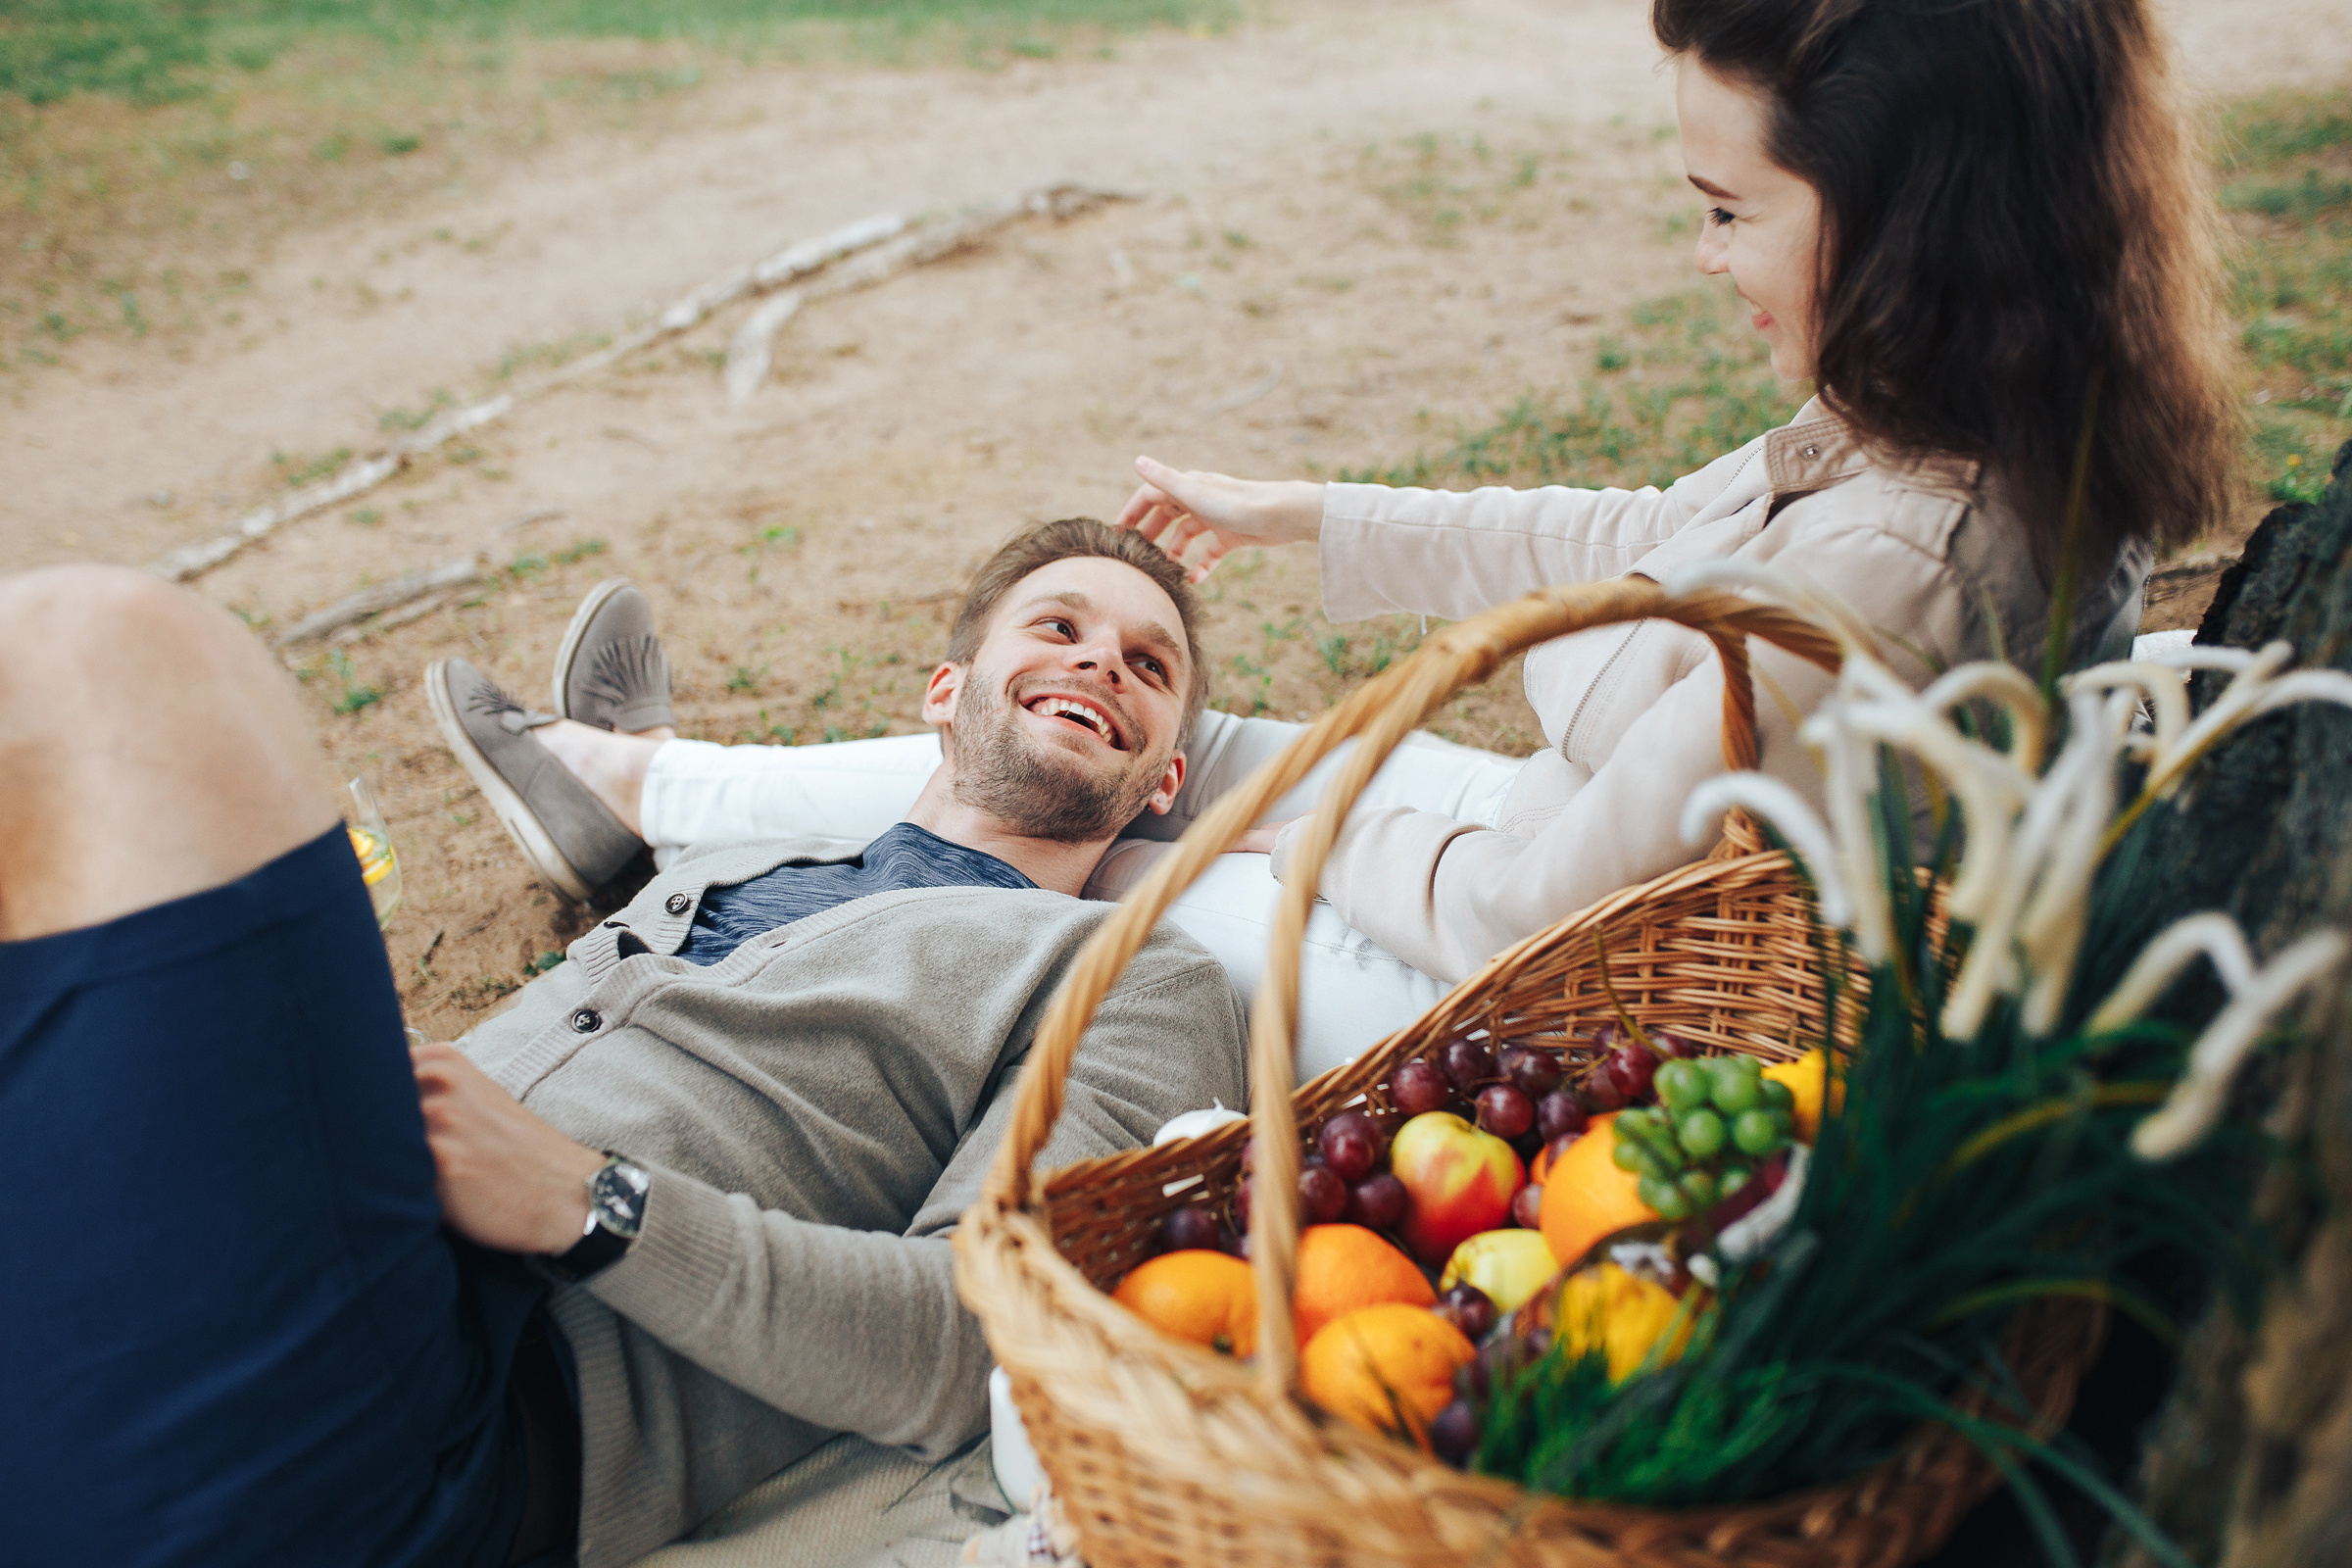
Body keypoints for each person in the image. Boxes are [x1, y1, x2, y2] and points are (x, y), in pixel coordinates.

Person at [508, 0, 2233, 1034]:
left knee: (1128, 848)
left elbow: (1528, 918)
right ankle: (651, 795)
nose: (1702, 259)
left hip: (1588, 1016)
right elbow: (1635, 539)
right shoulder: (1963, 419)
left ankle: (703, 970)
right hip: (1582, 879)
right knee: (1142, 760)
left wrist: (1293, 830)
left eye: (1727, 210)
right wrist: (1306, 519)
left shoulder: (1899, 560)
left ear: (1918, 220)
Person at [0, 519, 1246, 1568]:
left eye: (1148, 664)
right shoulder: (745, 871)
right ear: (945, 691)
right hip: (319, 1223)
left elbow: (972, 1347)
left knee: (112, 652)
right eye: (1060, 627)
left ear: (1164, 778)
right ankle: (617, 763)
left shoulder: (1136, 977)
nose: (1101, 661)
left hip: (459, 1394)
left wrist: (587, 1203)